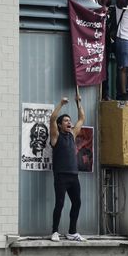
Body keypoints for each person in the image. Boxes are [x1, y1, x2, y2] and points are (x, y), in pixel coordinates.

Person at [50, 90, 86, 242]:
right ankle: (54, 232)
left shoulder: (72, 135)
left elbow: (82, 118)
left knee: (77, 203)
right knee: (60, 203)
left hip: (73, 176)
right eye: (65, 121)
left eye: (69, 120)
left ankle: (72, 232)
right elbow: (52, 119)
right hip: (61, 176)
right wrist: (61, 104)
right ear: (59, 125)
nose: (69, 122)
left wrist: (78, 103)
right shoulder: (56, 136)